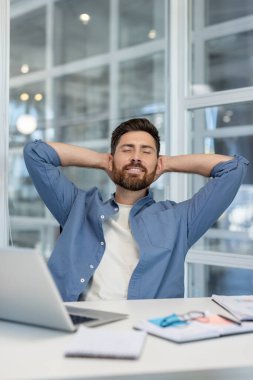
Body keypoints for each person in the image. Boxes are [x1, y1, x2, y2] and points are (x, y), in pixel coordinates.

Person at [24, 118, 249, 302]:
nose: (136, 157)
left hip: (146, 333)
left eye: (146, 152)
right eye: (127, 149)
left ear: (157, 162)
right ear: (113, 158)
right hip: (78, 327)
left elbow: (234, 169)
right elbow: (36, 154)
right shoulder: (76, 208)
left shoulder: (180, 220)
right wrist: (103, 161)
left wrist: (168, 163)